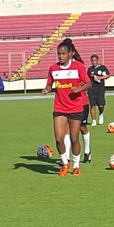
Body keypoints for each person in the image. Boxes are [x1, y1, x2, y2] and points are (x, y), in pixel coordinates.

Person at [42, 38, 91, 176]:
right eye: (59, 54)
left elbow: (89, 84)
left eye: (63, 53)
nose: (60, 56)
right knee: (59, 138)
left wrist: (79, 89)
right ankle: (65, 163)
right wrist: (46, 89)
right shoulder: (53, 69)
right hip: (60, 107)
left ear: (70, 54)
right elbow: (49, 84)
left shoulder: (78, 67)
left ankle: (76, 165)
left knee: (74, 138)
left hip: (75, 108)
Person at [86, 54, 110, 127]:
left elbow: (107, 76)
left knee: (101, 105)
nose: (93, 62)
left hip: (100, 89)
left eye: (95, 60)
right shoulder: (89, 69)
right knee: (92, 105)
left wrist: (100, 78)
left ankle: (101, 114)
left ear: (97, 60)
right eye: (92, 61)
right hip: (91, 89)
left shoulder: (102, 68)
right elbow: (87, 79)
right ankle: (93, 120)